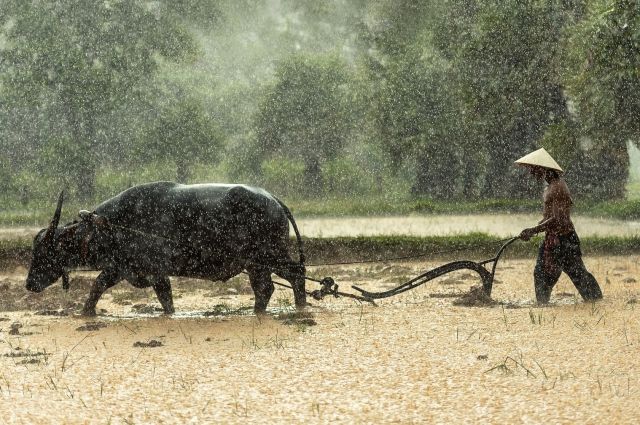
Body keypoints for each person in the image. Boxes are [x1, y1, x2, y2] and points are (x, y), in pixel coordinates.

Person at [515, 148, 603, 304]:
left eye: (533, 169)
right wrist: (535, 228)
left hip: (563, 240)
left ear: (542, 168)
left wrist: (534, 230)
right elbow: (549, 217)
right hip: (556, 239)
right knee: (559, 273)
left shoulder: (558, 188)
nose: (531, 173)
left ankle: (544, 306)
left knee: (571, 274)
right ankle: (594, 301)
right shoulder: (550, 187)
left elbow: (558, 219)